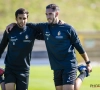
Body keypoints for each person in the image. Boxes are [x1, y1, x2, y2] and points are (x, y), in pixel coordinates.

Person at [6, 4, 92, 90]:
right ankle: (83, 72)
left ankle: (84, 73)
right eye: (46, 14)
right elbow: (25, 24)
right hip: (56, 67)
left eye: (50, 14)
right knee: (70, 88)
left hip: (69, 64)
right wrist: (13, 24)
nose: (48, 16)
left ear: (57, 14)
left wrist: (88, 62)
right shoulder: (44, 27)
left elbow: (79, 46)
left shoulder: (68, 28)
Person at [0, 8, 44, 90]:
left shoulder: (32, 31)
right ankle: (2, 81)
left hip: (24, 69)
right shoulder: (9, 30)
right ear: (16, 18)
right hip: (10, 67)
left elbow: (46, 36)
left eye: (24, 18)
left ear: (27, 19)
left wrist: (58, 28)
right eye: (20, 18)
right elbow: (1, 47)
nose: (22, 21)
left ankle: (1, 80)